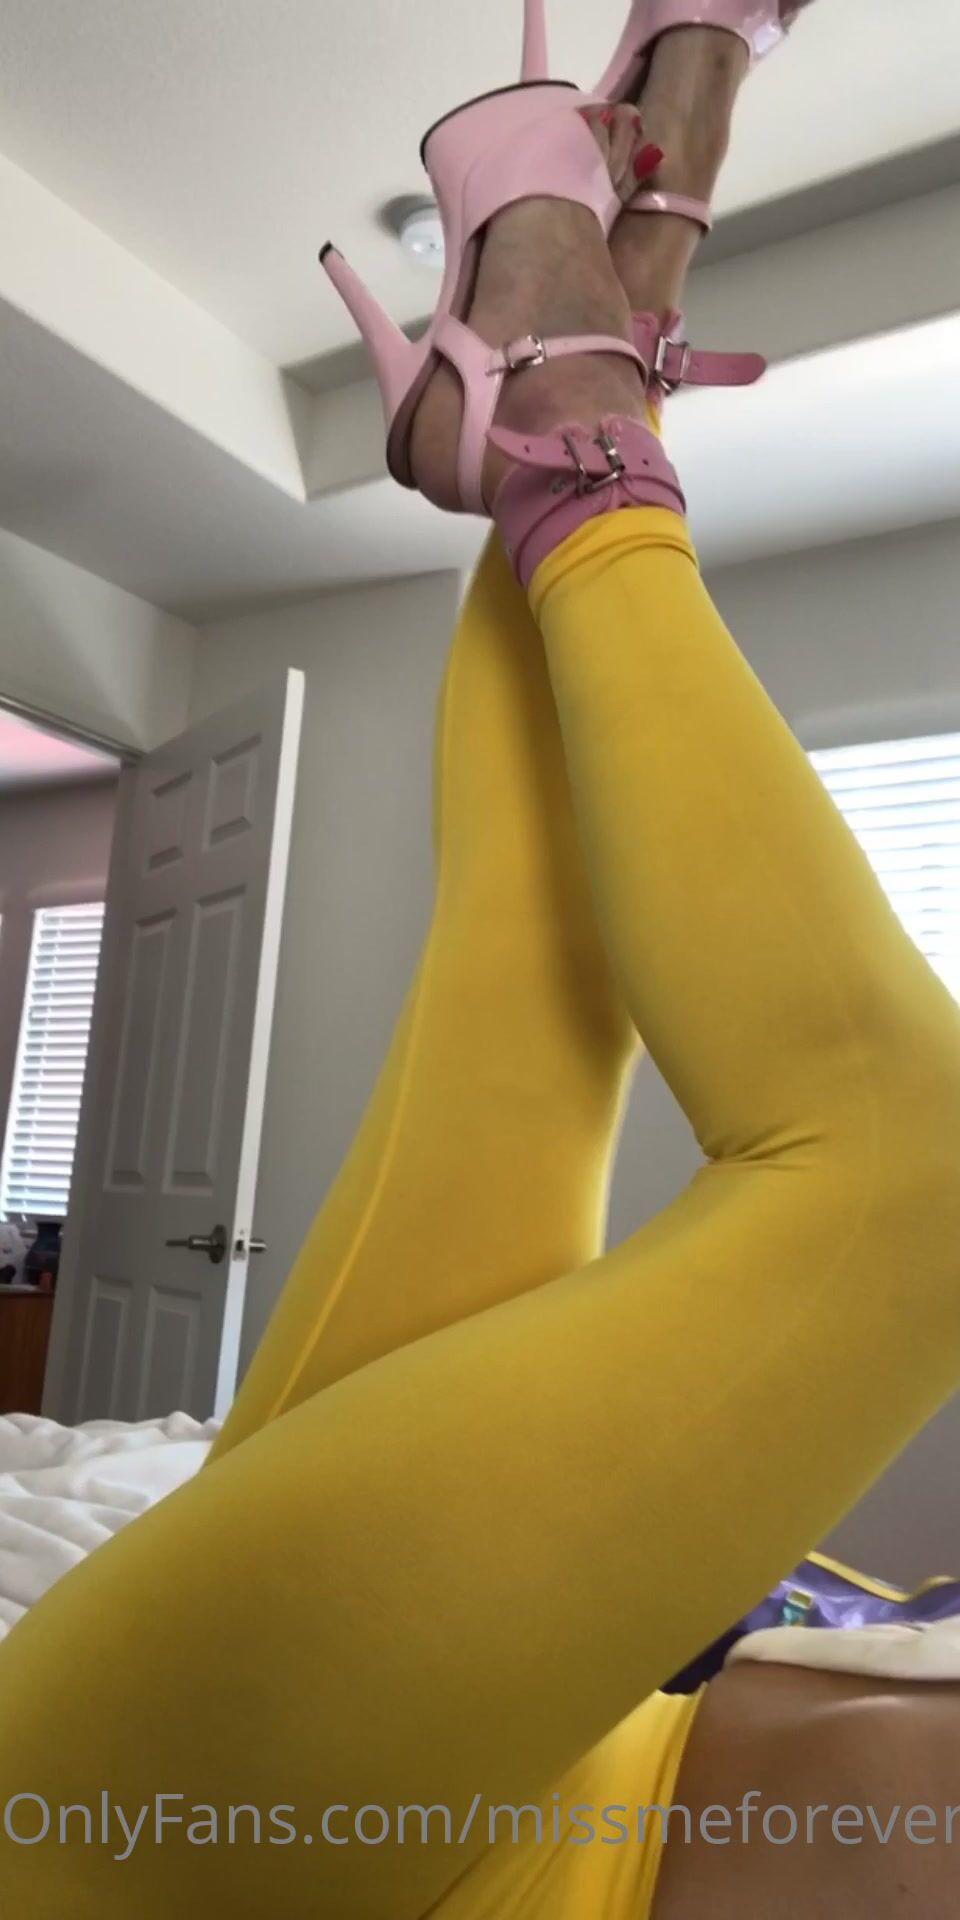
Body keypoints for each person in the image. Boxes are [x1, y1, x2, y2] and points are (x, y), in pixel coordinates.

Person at [2, 3, 960, 1915]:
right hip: (524, 1753)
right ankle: (596, 329)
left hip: (213, 1861)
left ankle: (579, 350)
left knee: (909, 1174)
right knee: (545, 981)